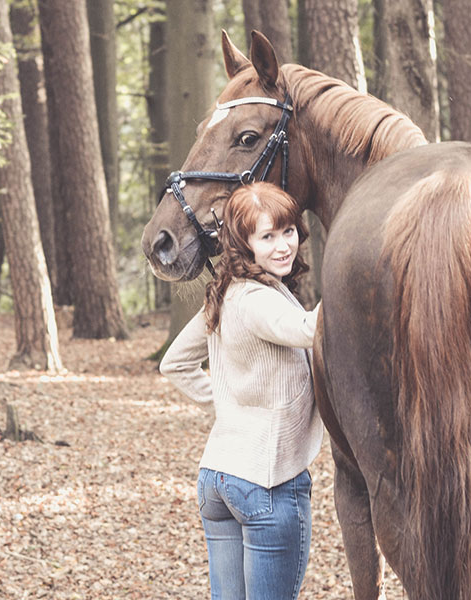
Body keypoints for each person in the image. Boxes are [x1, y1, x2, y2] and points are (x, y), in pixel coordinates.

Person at [160, 182, 324, 600]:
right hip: (265, 485)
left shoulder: (226, 291)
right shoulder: (258, 300)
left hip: (217, 478)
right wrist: (349, 276)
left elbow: (173, 362)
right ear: (243, 243)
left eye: (288, 231)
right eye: (267, 237)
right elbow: (310, 330)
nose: (283, 245)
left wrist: (232, 405)